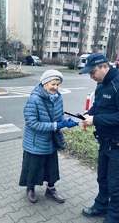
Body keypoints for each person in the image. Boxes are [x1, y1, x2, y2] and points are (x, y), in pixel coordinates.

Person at [79, 53, 119, 223]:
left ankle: (114, 217)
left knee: (116, 183)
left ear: (104, 66)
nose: (91, 76)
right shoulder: (102, 84)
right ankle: (101, 206)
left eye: (93, 72)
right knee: (103, 178)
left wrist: (95, 120)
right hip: (105, 142)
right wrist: (88, 114)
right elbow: (98, 106)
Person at [19, 69, 79, 203]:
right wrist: (57, 126)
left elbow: (58, 115)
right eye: (53, 84)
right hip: (35, 142)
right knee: (34, 166)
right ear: (44, 84)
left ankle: (50, 189)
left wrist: (65, 121)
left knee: (51, 166)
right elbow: (32, 123)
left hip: (50, 141)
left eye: (58, 84)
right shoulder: (34, 100)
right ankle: (30, 189)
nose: (56, 87)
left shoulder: (58, 98)